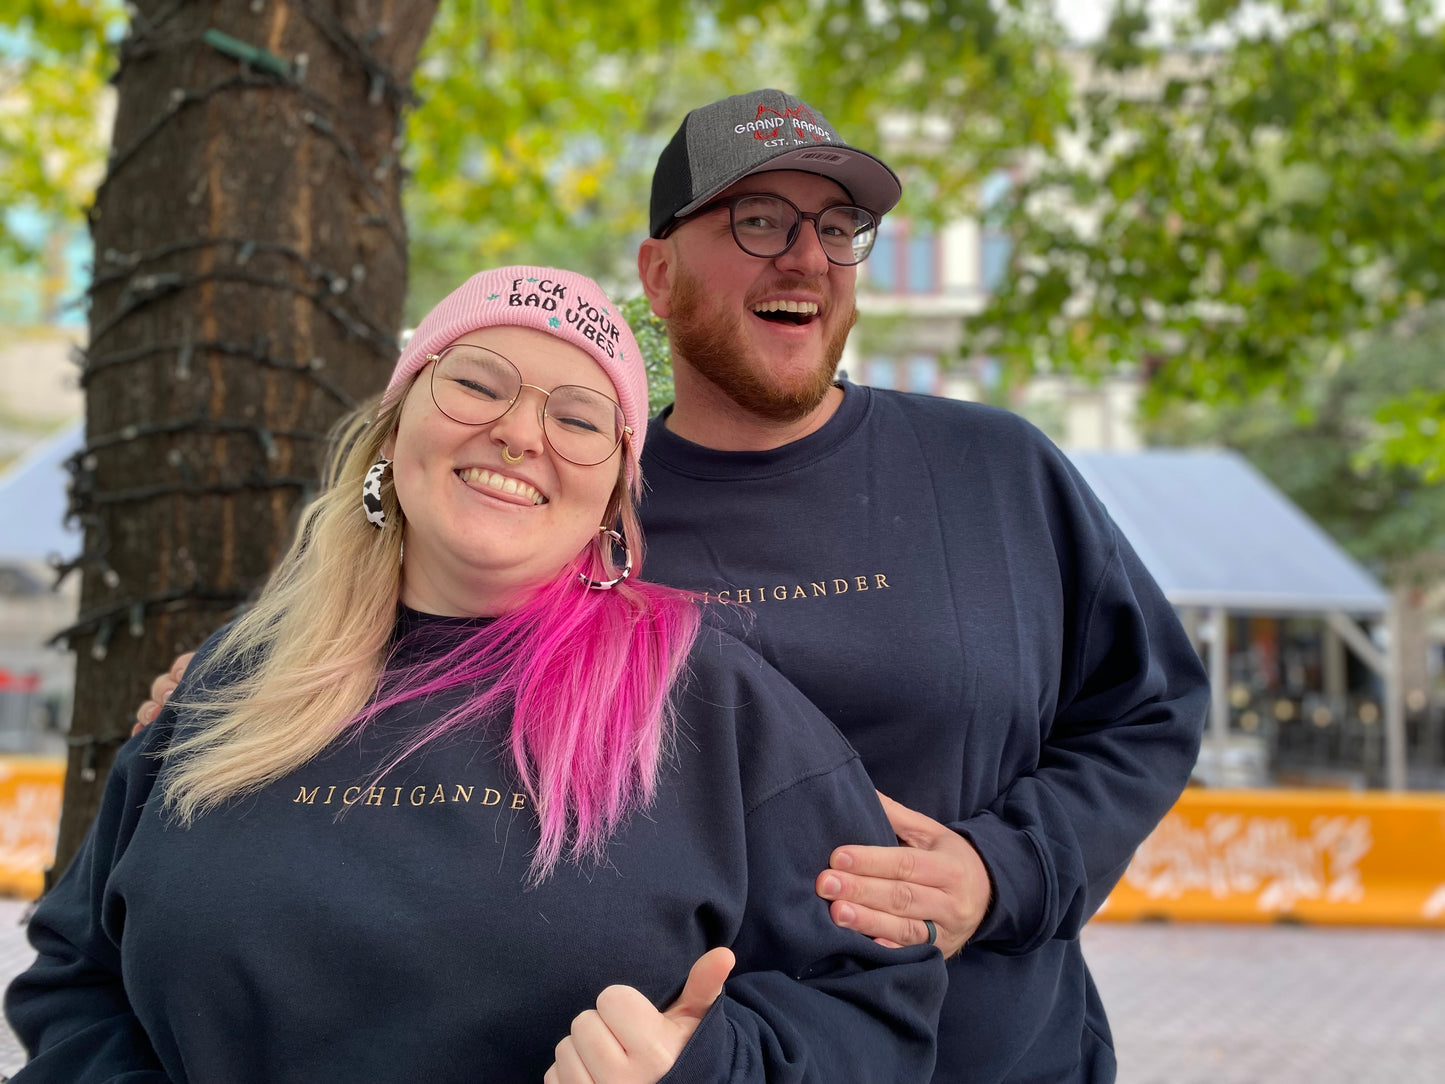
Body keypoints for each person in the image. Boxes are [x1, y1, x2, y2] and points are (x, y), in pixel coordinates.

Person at [135, 90, 1211, 1082]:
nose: (805, 258)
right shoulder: (566, 496)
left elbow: (1149, 705)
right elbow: (402, 621)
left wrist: (1003, 870)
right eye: (757, 222)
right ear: (657, 275)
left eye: (835, 228)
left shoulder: (993, 472)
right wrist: (235, 694)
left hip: (984, 1050)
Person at [5, 266, 947, 1083]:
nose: (518, 433)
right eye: (476, 384)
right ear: (392, 427)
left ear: (613, 494)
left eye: (579, 417)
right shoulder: (233, 679)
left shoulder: (713, 703)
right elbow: (75, 973)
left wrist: (709, 1072)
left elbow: (880, 1002)